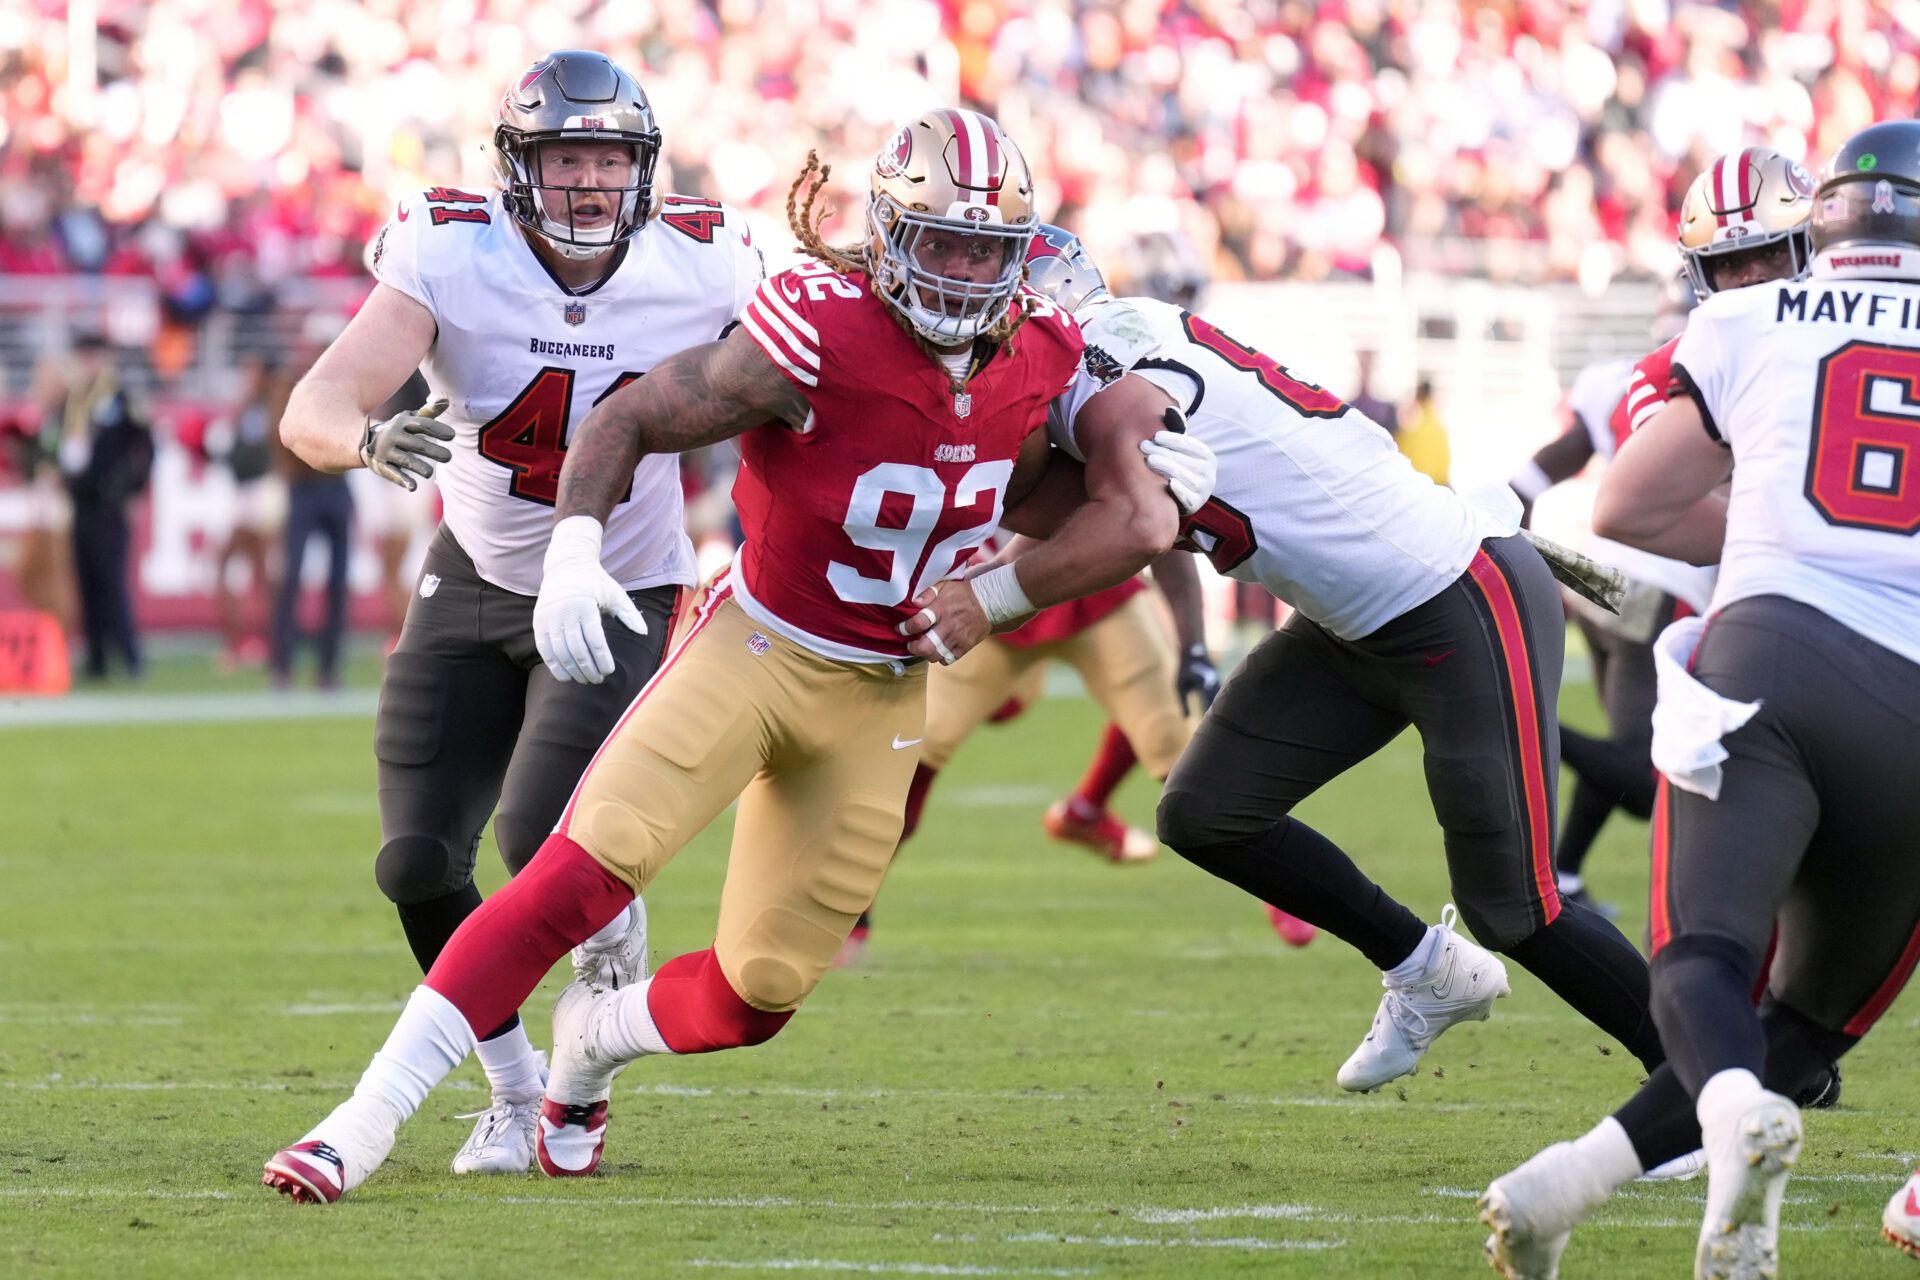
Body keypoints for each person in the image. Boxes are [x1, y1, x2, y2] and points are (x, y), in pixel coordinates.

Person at [262, 107, 1213, 1202]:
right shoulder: (819, 321)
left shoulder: (1043, 352)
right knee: (578, 865)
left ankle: (593, 1041)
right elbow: (626, 417)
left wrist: (1123, 506)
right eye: (941, 243)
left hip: (882, 692)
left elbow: (1066, 504)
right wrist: (574, 550)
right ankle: (360, 1121)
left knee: (758, 992)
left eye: (985, 251)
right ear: (891, 233)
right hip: (754, 641)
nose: (960, 274)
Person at [266, 49, 765, 1176]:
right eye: (564, 157)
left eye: (607, 158)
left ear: (644, 168)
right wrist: (365, 437)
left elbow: (802, 392)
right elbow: (317, 401)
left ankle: (601, 936)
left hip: (623, 582)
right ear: (515, 167)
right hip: (477, 575)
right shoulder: (452, 249)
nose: (588, 183)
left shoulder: (708, 260)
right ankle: (512, 1089)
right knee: (413, 861)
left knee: (538, 836)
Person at [1014, 237, 1666, 1099]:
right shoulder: (1120, 347)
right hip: (1352, 621)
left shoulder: (1104, 368)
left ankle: (1713, 1078)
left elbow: (1121, 524)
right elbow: (1089, 508)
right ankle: (1424, 967)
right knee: (1206, 813)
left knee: (1517, 907)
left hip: (1458, 594)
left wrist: (976, 596)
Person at [1479, 120, 1920, 1280]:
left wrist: (1784, 524)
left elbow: (1623, 505)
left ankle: (1711, 1131)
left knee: (1701, 962)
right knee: (1805, 1029)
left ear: (1823, 220)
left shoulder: (1748, 319)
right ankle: (1566, 1184)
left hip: (1770, 652)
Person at [1509, 147, 1814, 912]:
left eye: (1763, 258)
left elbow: (1532, 481)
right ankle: (1529, 730)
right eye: (1729, 267)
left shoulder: (1654, 364)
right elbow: (1635, 497)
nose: (1747, 285)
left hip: (1593, 573)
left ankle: (1564, 870)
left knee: (1633, 742)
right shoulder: (1676, 366)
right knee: (1650, 767)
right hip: (1647, 573)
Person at [52, 333, 152, 681]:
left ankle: (130, 656)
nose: (89, 363)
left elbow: (145, 446)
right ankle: (96, 659)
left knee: (112, 582)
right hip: (80, 502)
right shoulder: (73, 399)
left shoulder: (120, 397)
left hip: (109, 503)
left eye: (93, 355)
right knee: (87, 582)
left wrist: (131, 489)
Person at [206, 354, 286, 670]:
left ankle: (247, 643)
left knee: (245, 566)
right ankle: (263, 643)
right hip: (255, 493)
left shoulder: (264, 407)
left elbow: (254, 455)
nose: (246, 377)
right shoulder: (255, 407)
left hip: (260, 493)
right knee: (260, 571)